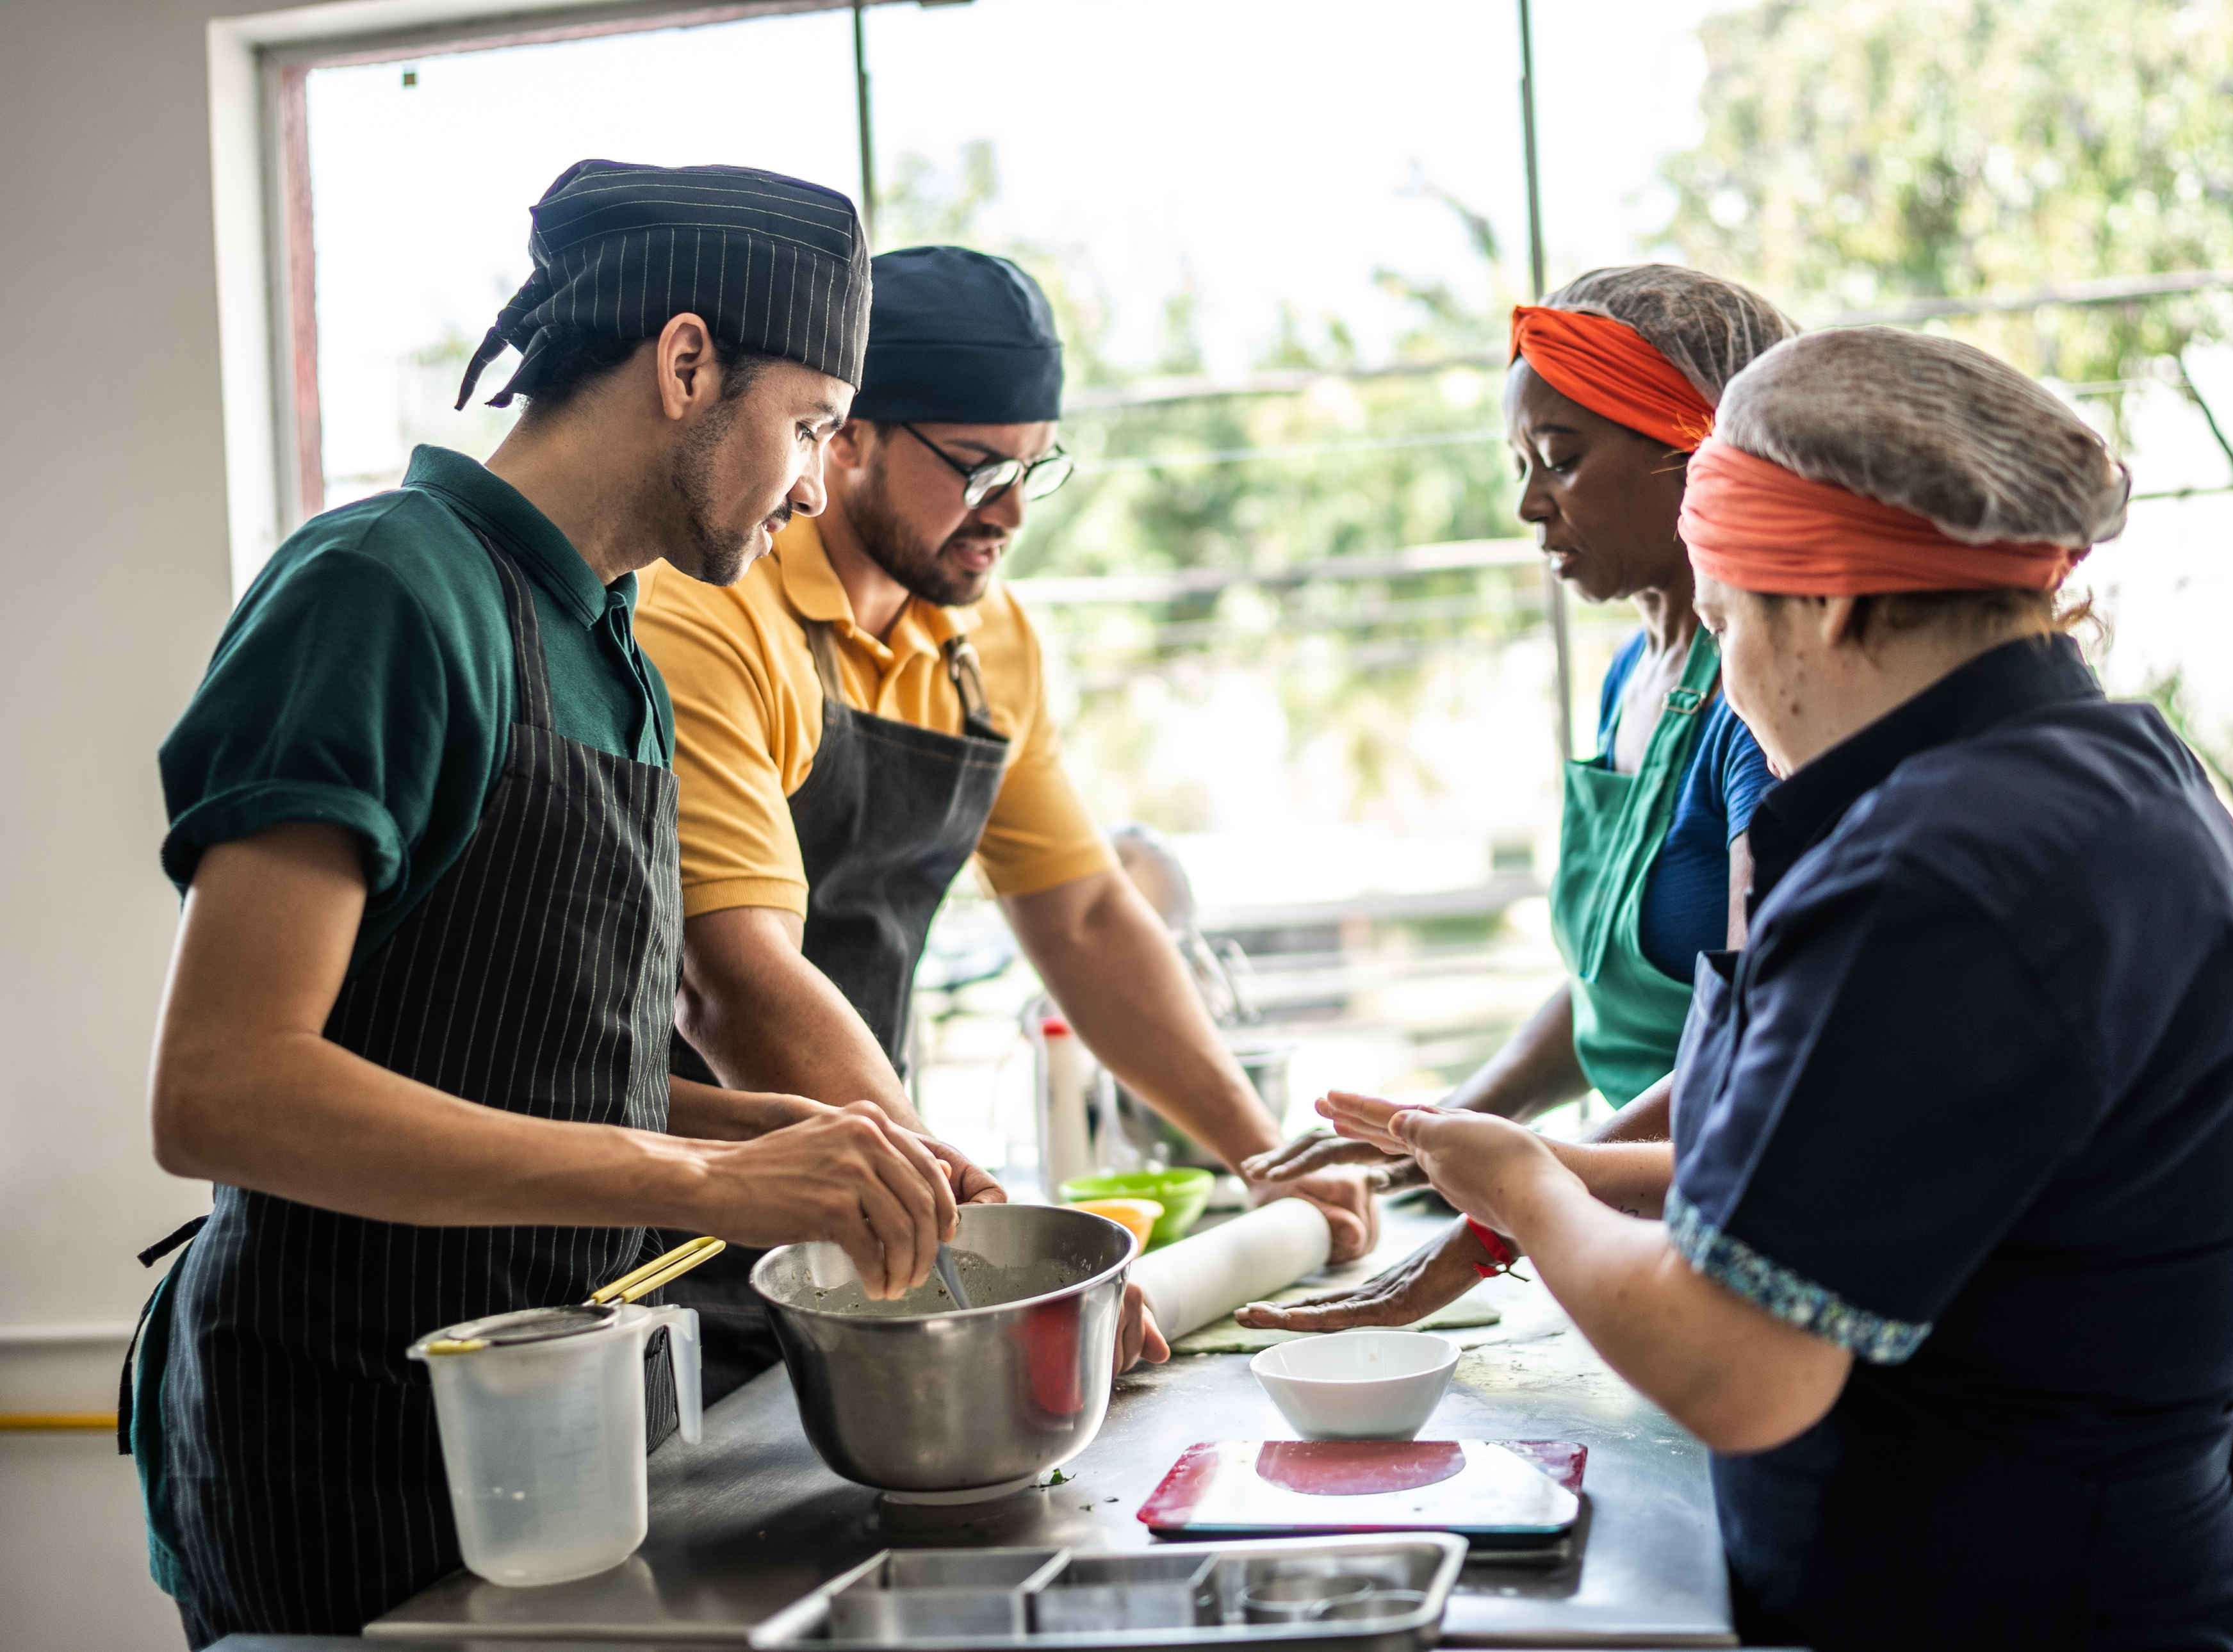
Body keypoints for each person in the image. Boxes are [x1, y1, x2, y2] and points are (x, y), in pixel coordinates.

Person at [1313, 328, 2233, 1650]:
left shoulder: (1938, 874)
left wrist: (1527, 1192)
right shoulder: (2115, 774)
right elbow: (1873, 1171)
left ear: (1830, 604)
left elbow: (1739, 1371)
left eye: (1725, 623)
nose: (1727, 677)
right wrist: (1531, 1162)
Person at [131, 161, 977, 1645]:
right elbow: (223, 1089)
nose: (809, 483)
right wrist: (702, 1184)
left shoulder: (614, 652)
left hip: (537, 1441)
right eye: (811, 426)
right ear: (687, 361)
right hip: (339, 1443)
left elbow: (506, 1058)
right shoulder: (381, 590)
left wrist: (768, 1130)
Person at [632, 245, 1369, 1389]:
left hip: (881, 1205)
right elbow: (733, 978)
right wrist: (982, 1240)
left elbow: (1079, 918)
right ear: (848, 435)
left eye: (1036, 468)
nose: (1013, 511)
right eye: (978, 469)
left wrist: (1264, 1153)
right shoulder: (708, 610)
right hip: (664, 1235)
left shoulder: (990, 641)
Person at [1239, 265, 1794, 1332]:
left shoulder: (1762, 704)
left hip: (1722, 1223)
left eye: (1561, 459)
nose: (1530, 501)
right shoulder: (1634, 676)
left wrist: (1500, 1215)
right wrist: (1447, 1123)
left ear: (1693, 451)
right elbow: (1605, 982)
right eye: (1522, 464)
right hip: (1621, 1212)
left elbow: (1752, 1048)